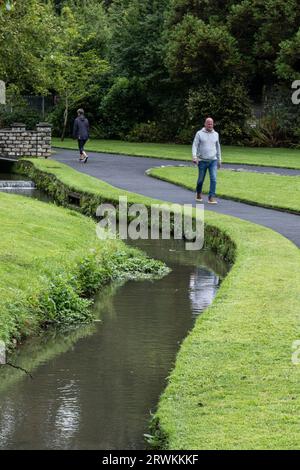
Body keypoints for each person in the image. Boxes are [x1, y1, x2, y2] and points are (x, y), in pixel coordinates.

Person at [192, 117, 221, 204]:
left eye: (211, 124)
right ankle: (198, 193)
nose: (210, 125)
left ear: (213, 124)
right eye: (208, 123)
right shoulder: (199, 133)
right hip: (202, 160)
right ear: (205, 124)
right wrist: (194, 156)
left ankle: (211, 197)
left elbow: (218, 147)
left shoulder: (216, 134)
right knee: (200, 180)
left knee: (214, 179)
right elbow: (195, 145)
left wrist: (219, 159)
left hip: (213, 160)